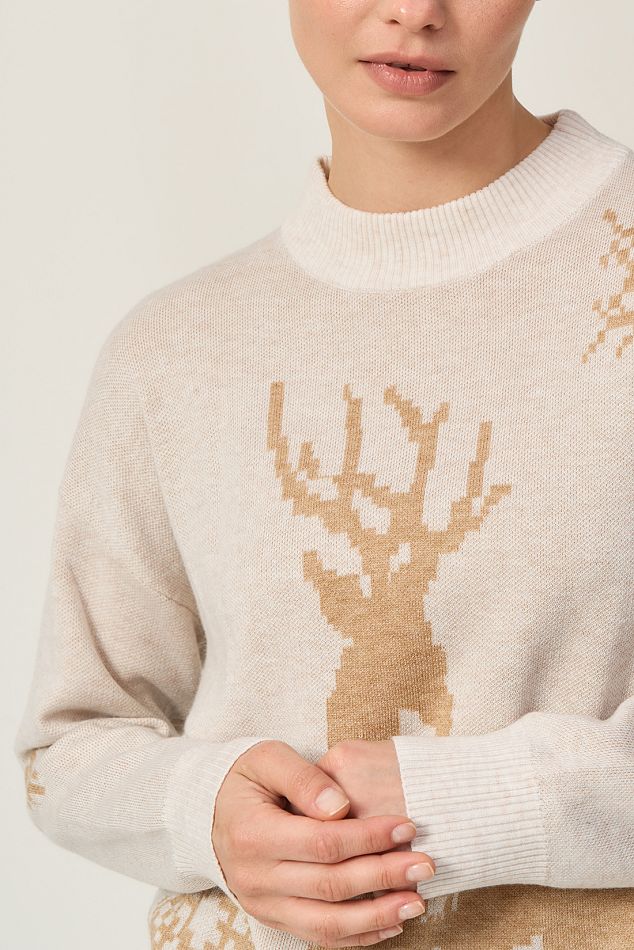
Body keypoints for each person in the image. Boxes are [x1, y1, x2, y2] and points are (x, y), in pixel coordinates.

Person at [14, 1, 633, 948]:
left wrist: (473, 802)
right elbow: (67, 750)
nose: (413, 11)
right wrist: (206, 812)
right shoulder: (173, 350)